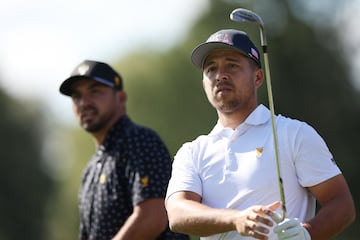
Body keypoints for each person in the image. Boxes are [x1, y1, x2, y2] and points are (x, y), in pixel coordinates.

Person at [165, 29, 356, 240]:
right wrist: (236, 220)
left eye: (232, 65)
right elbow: (177, 213)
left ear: (257, 77)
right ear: (204, 84)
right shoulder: (192, 151)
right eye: (211, 69)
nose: (220, 75)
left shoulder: (294, 134)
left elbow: (341, 204)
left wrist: (307, 233)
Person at [59, 60, 190, 240]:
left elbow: (153, 216)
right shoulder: (91, 169)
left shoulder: (140, 140)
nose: (84, 102)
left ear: (120, 98)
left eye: (95, 91)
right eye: (76, 96)